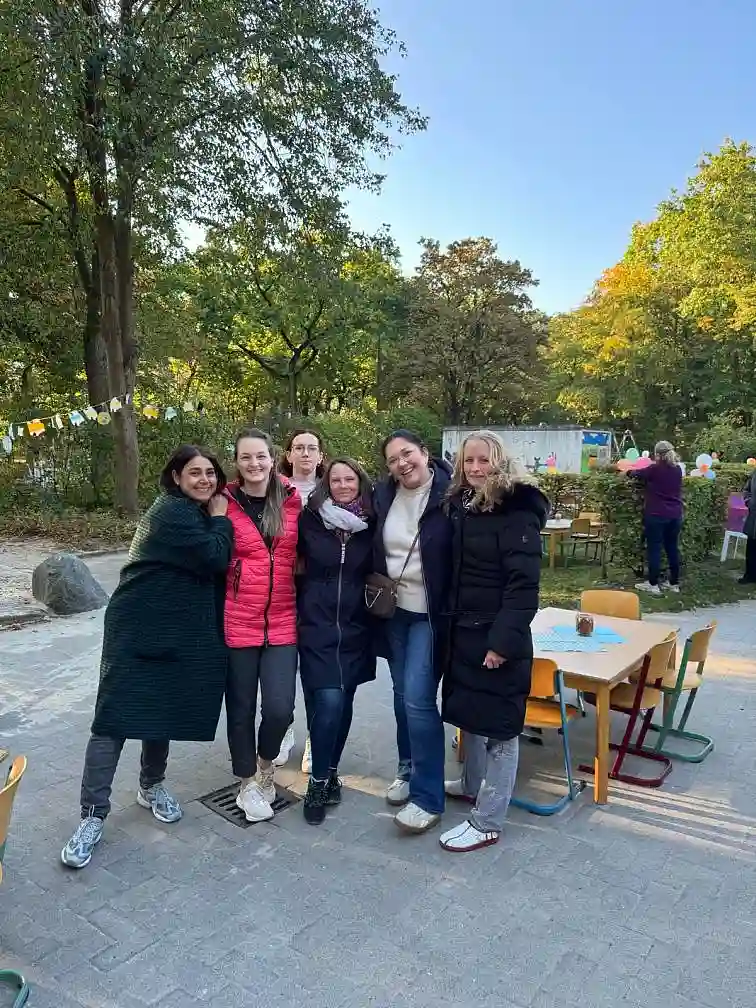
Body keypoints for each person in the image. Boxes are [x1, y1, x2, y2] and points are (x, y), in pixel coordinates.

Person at [61, 446, 233, 869]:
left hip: (171, 633)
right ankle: (92, 815)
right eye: (195, 473)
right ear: (176, 477)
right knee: (112, 720)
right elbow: (215, 556)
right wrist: (221, 517)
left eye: (210, 473)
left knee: (161, 711)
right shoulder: (172, 512)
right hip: (136, 632)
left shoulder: (189, 511)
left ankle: (151, 786)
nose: (205, 480)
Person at [440, 432, 548, 853]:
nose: (475, 468)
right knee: (471, 717)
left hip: (497, 637)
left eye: (483, 460)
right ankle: (470, 785)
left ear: (499, 461)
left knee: (502, 731)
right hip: (465, 631)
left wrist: (502, 643)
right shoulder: (465, 505)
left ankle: (487, 821)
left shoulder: (516, 510)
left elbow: (524, 587)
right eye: (468, 461)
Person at [373, 429, 452, 834]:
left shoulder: (451, 494)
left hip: (430, 616)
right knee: (402, 695)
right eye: (393, 460)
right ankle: (407, 770)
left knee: (419, 700)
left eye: (407, 454)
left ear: (424, 452)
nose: (402, 464)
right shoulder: (383, 495)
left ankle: (428, 798)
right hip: (394, 613)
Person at [224, 428, 301, 822]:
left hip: (283, 621)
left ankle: (265, 765)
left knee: (279, 708)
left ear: (273, 459)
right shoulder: (223, 503)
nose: (254, 464)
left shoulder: (292, 501)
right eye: (246, 457)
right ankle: (247, 782)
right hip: (238, 620)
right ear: (237, 463)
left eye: (260, 456)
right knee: (240, 710)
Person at [297, 457, 375, 824]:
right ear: (326, 484)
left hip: (357, 627)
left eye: (350, 479)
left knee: (343, 704)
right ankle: (317, 782)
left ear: (360, 483)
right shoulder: (310, 519)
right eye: (336, 480)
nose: (343, 486)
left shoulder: (372, 523)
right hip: (316, 625)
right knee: (327, 701)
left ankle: (329, 772)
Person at [275, 429, 326, 772]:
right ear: (289, 454)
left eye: (312, 448)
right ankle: (283, 730)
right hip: (279, 585)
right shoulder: (274, 489)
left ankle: (314, 739)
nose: (305, 453)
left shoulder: (331, 489)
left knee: (315, 667)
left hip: (319, 589)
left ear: (321, 456)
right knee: (281, 667)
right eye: (299, 448)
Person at [631, 440, 683, 595]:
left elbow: (636, 474)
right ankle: (674, 583)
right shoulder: (678, 469)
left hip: (657, 514)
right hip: (675, 515)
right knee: (672, 549)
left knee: (654, 549)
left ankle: (653, 584)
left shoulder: (654, 469)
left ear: (658, 454)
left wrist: (626, 472)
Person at [740, 466, 756, 584]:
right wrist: (749, 501)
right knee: (751, 546)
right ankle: (750, 575)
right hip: (754, 516)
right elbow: (746, 490)